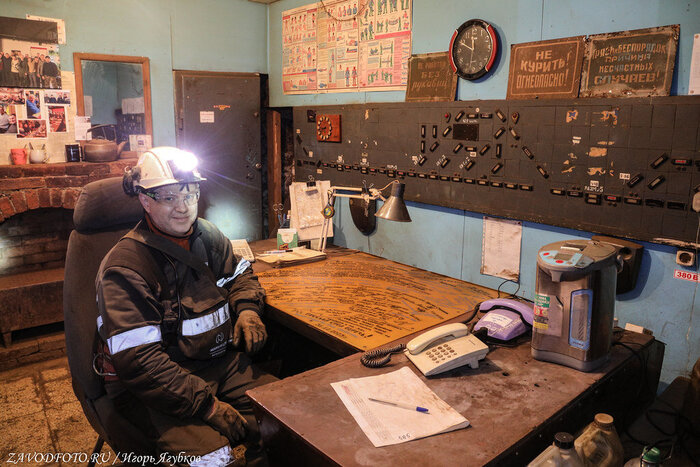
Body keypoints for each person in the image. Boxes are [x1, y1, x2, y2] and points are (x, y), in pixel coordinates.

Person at [96, 147, 275, 466]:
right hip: (154, 387)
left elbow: (239, 274)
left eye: (190, 194)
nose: (183, 207)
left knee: (287, 416)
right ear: (145, 200)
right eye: (169, 197)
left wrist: (247, 309)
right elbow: (140, 363)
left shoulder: (207, 236)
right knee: (214, 460)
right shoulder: (126, 268)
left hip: (216, 363)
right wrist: (208, 406)